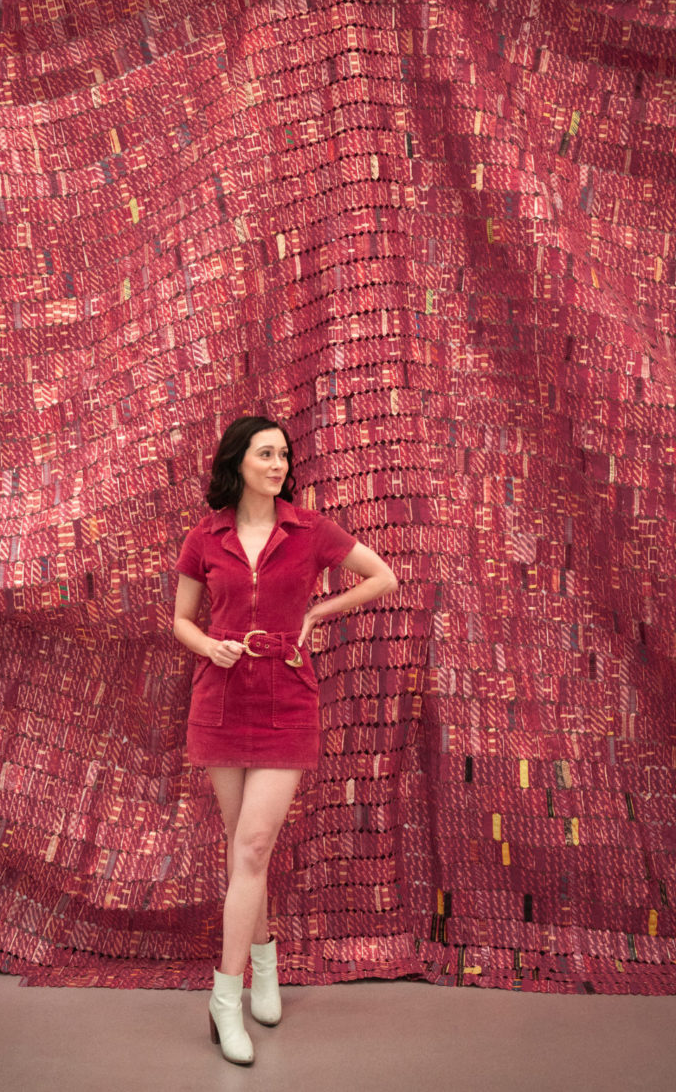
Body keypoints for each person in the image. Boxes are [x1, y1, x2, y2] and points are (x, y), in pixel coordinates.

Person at [172, 414, 398, 1065]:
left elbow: (382, 575)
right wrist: (209, 646)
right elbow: (181, 621)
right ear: (238, 460)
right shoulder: (204, 537)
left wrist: (315, 615)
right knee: (246, 850)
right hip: (219, 699)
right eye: (266, 454)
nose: (279, 465)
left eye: (283, 456)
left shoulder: (310, 530)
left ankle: (224, 997)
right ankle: (265, 966)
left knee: (251, 845)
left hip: (287, 699)